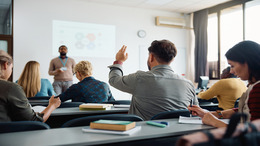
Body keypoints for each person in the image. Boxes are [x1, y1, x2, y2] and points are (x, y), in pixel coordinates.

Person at [108, 40, 198, 120]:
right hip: (178, 137)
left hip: (144, 136)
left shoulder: (140, 78)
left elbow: (114, 79)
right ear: (172, 59)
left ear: (151, 57)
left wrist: (119, 61)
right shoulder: (189, 84)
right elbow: (196, 111)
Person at [188, 40, 260, 127]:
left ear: (247, 62)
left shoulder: (257, 89)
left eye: (232, 66)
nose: (231, 71)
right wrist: (212, 114)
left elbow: (253, 135)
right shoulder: (250, 85)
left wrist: (215, 122)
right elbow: (243, 111)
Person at [0, 50, 61, 122]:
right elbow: (33, 120)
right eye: (12, 68)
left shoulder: (17, 82)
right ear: (5, 65)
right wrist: (52, 105)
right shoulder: (11, 88)